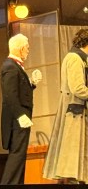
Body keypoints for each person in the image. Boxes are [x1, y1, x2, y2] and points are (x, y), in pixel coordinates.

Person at [43, 28, 88, 182]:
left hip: (77, 110)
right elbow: (78, 88)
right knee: (72, 154)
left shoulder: (78, 57)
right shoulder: (75, 58)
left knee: (75, 153)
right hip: (75, 112)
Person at [0, 33, 41, 185]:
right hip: (17, 120)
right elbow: (10, 95)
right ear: (21, 48)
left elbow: (19, 91)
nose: (28, 51)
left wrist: (31, 83)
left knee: (20, 155)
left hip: (20, 118)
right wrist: (20, 116)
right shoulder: (10, 67)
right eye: (27, 48)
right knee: (17, 155)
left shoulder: (14, 66)